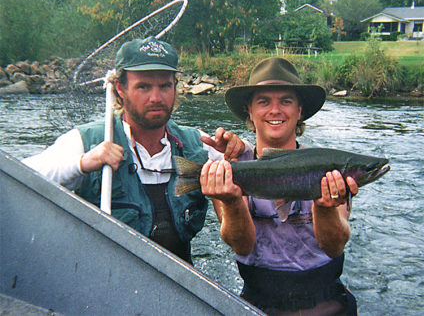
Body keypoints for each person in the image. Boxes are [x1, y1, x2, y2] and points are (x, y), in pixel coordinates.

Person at [22, 36, 247, 264]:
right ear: (120, 88)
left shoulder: (198, 144)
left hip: (180, 288)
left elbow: (244, 243)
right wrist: (82, 163)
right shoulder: (87, 141)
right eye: (143, 87)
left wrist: (241, 150)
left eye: (165, 86)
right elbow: (21, 177)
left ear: (175, 87)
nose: (156, 98)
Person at [200, 57, 358, 315]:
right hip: (260, 304)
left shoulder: (328, 166)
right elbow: (242, 246)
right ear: (249, 111)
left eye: (286, 101)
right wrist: (230, 200)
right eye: (264, 101)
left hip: (326, 303)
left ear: (299, 111)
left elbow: (334, 246)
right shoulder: (230, 168)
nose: (275, 110)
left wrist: (326, 207)